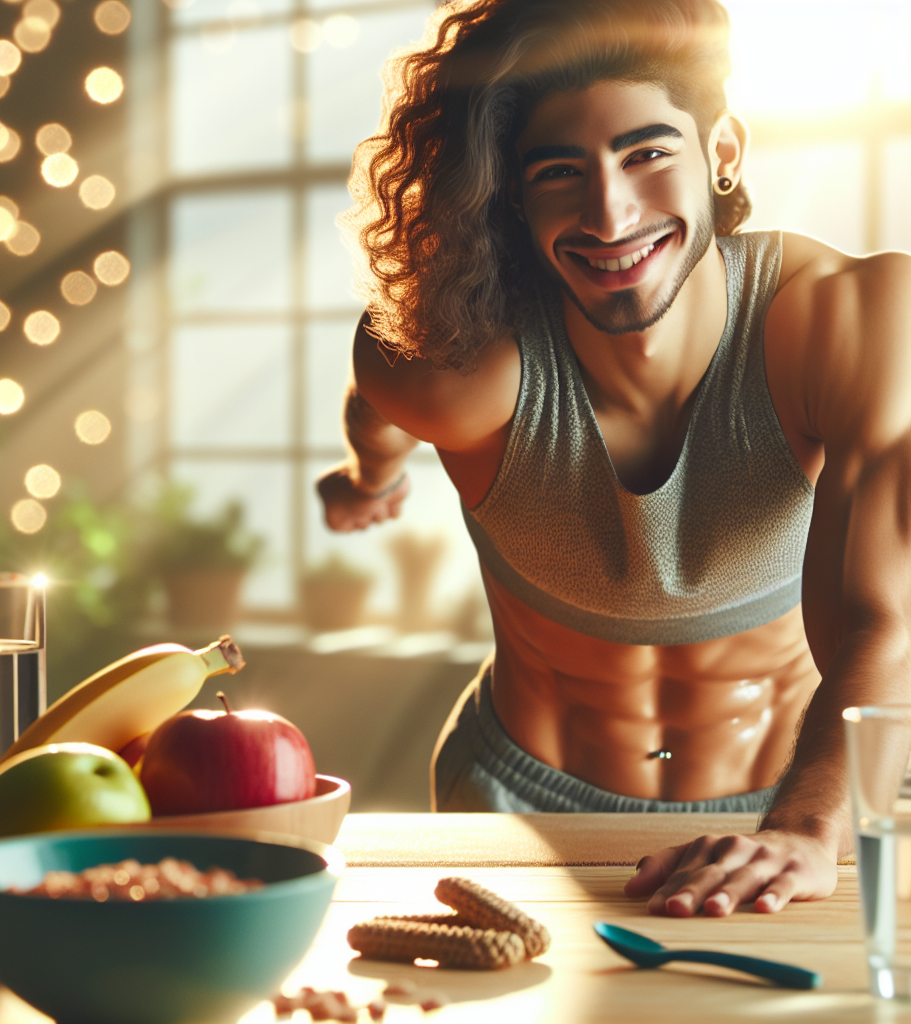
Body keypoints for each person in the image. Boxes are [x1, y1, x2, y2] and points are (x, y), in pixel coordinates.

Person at [317, 0, 911, 918]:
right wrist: (370, 475)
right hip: (521, 809)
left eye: (647, 154)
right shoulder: (456, 375)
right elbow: (379, 404)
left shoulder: (851, 320)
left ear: (722, 151)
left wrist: (804, 828)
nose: (610, 214)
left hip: (797, 804)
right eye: (561, 171)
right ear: (512, 197)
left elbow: (890, 618)